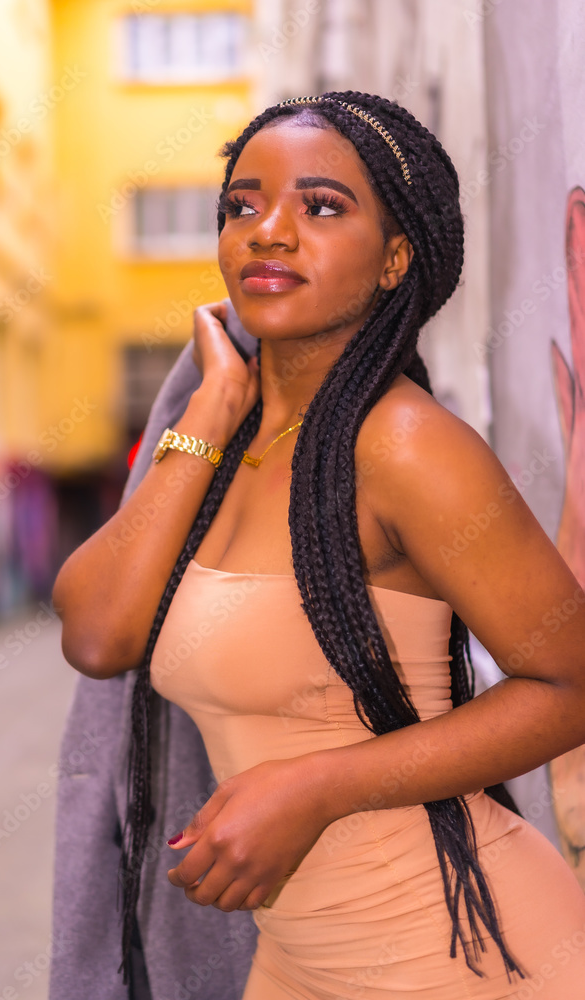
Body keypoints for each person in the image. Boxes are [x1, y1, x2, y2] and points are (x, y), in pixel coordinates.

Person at [52, 92, 585, 999]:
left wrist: (315, 788)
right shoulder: (223, 438)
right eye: (242, 204)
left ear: (395, 258)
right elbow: (98, 636)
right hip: (295, 962)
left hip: (455, 953)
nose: (268, 231)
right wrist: (212, 409)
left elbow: (570, 685)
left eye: (321, 206)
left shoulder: (406, 447)